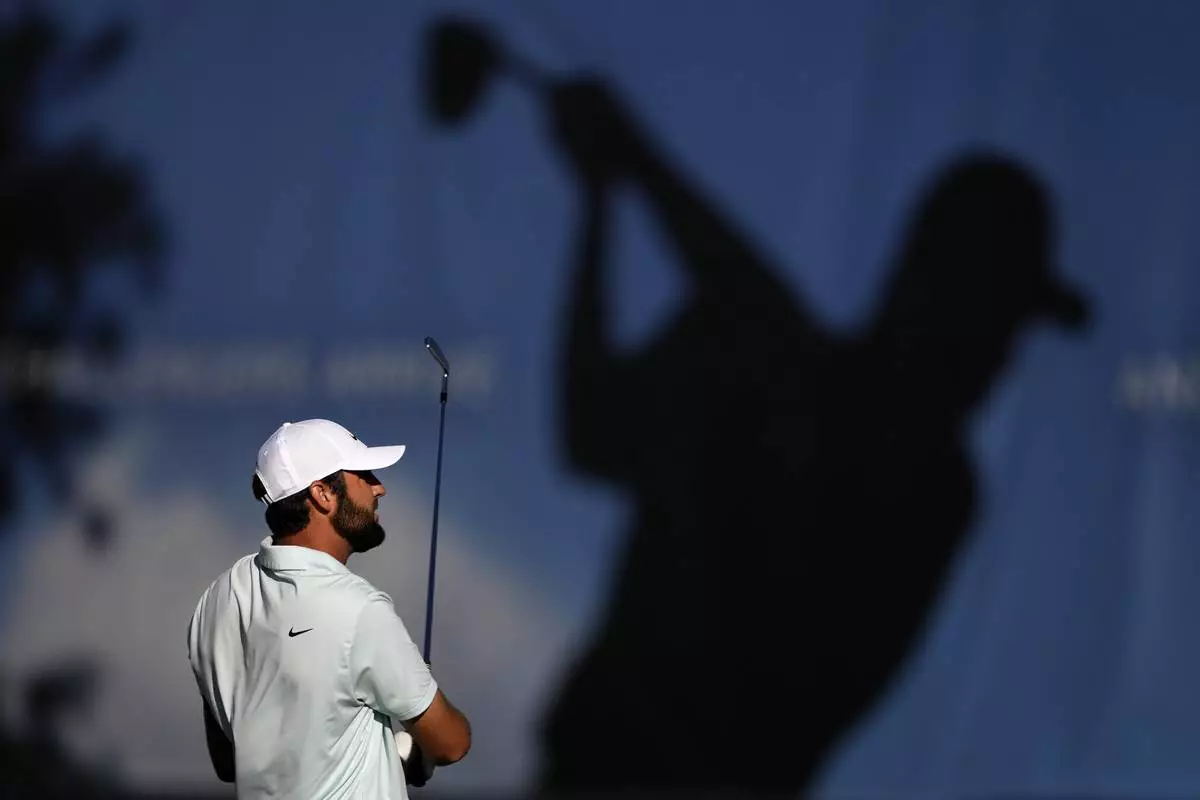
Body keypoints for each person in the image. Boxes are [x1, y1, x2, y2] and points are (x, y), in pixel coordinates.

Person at [187, 418, 471, 798]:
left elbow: (228, 762)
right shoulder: (359, 609)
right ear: (321, 493)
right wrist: (417, 740)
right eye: (364, 475)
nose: (379, 487)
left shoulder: (215, 600)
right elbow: (451, 743)